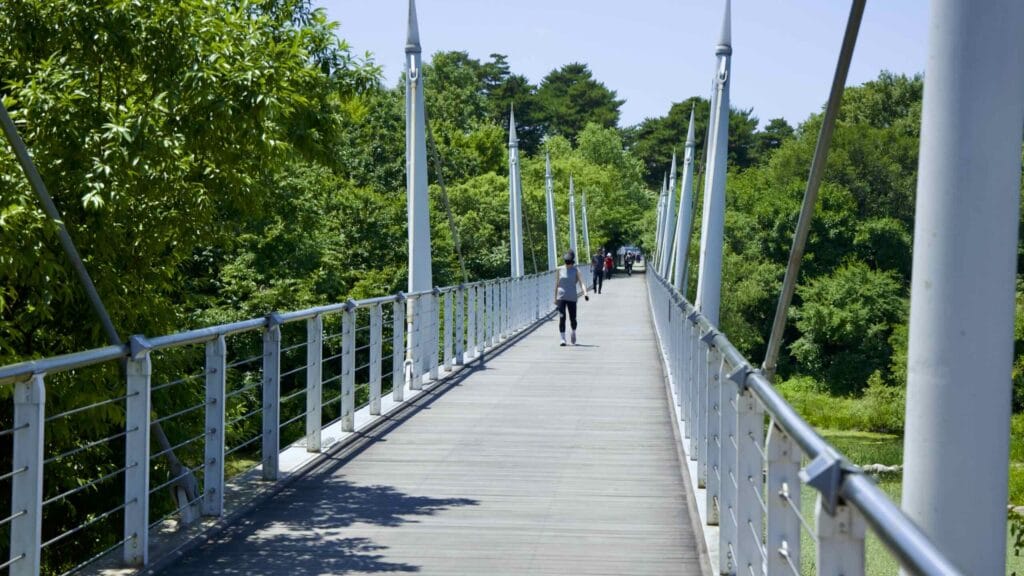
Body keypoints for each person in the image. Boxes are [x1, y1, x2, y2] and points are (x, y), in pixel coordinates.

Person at [553, 250, 589, 346]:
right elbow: (556, 284)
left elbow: (581, 282)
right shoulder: (559, 269)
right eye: (566, 262)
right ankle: (562, 339)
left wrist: (585, 293)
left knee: (573, 319)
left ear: (572, 262)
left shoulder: (576, 270)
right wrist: (555, 298)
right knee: (562, 317)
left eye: (569, 262)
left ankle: (573, 332)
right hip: (561, 297)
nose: (567, 264)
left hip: (572, 297)